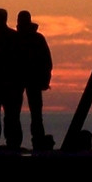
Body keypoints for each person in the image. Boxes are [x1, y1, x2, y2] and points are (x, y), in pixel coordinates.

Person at [16, 11, 54, 151]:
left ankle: (37, 140)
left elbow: (46, 61)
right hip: (19, 80)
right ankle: (18, 141)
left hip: (32, 80)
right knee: (18, 113)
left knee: (35, 114)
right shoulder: (17, 38)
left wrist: (45, 79)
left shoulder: (36, 38)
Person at [0, 8, 23, 150]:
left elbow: (21, 60)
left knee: (10, 116)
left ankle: (11, 142)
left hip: (9, 84)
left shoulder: (12, 37)